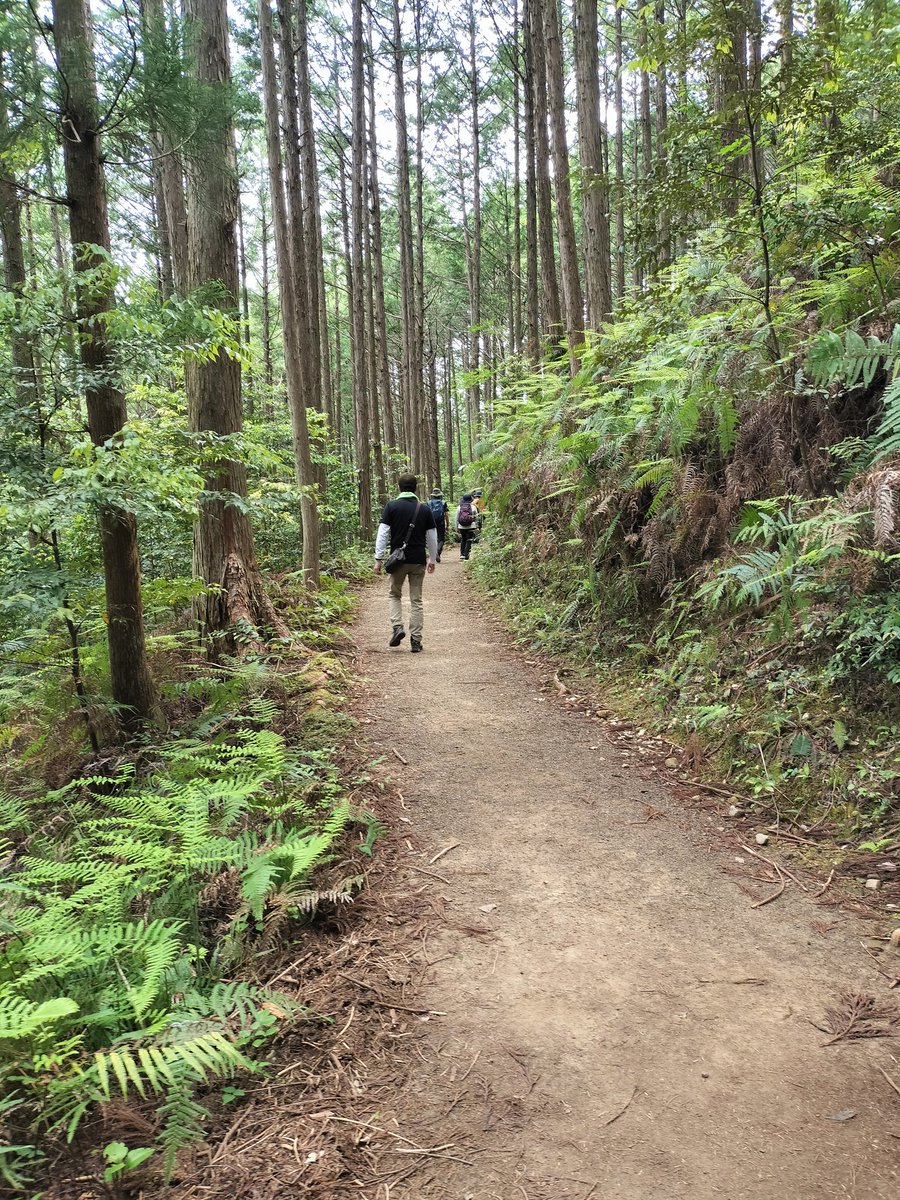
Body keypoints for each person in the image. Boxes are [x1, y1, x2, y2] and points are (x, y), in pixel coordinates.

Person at [374, 474, 438, 653]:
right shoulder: (424, 509)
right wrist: (432, 559)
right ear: (416, 488)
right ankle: (416, 641)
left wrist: (378, 559)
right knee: (416, 600)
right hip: (418, 560)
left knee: (394, 594)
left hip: (398, 561)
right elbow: (432, 537)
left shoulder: (391, 507)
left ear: (399, 487)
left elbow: (383, 533)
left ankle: (397, 627)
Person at [427, 488, 450, 562]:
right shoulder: (443, 502)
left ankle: (434, 553)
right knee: (441, 539)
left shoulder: (429, 503)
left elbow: (426, 514)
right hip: (441, 523)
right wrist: (447, 524)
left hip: (431, 523)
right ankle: (438, 552)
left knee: (433, 538)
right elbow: (446, 515)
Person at [456, 492, 478, 561]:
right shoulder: (473, 507)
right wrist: (477, 526)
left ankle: (462, 554)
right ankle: (466, 555)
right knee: (469, 540)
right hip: (471, 526)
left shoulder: (459, 507)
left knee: (463, 539)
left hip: (461, 526)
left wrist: (456, 527)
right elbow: (476, 517)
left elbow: (456, 518)